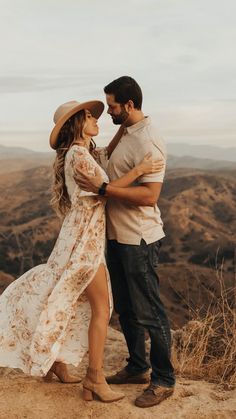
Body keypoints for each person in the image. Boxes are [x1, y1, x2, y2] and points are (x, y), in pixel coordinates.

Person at [0, 99, 163, 403]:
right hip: (84, 242)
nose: (96, 120)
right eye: (89, 117)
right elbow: (108, 188)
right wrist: (141, 168)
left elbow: (107, 153)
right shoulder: (80, 156)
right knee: (102, 309)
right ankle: (94, 380)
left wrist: (123, 129)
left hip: (77, 236)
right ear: (77, 124)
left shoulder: (81, 153)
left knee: (67, 297)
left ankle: (58, 363)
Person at [75, 76, 176, 408]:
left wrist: (104, 190)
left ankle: (163, 380)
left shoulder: (149, 141)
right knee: (128, 309)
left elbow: (149, 196)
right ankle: (137, 367)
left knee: (150, 311)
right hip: (115, 236)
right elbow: (106, 162)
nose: (108, 112)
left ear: (129, 105)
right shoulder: (126, 132)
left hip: (139, 238)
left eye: (113, 106)